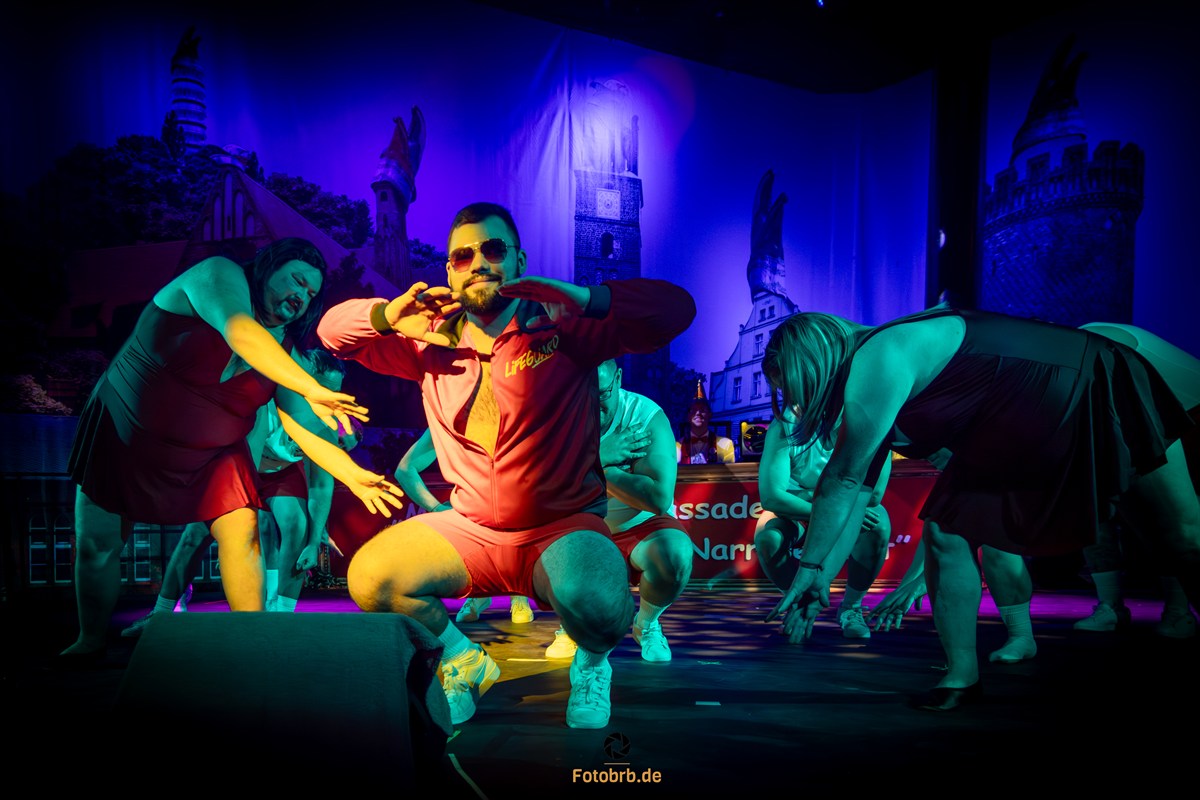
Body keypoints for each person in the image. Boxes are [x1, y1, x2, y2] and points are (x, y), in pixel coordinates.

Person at [317, 201, 695, 729]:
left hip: (558, 527)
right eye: (462, 256)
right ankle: (464, 660)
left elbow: (676, 309)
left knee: (602, 609)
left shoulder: (562, 327)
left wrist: (587, 298)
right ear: (449, 271)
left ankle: (592, 664)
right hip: (471, 529)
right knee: (371, 577)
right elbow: (331, 333)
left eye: (493, 249)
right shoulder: (428, 340)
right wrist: (386, 316)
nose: (478, 263)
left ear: (519, 260)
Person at [761, 307, 1198, 711]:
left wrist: (810, 569)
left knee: (1181, 536)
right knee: (947, 530)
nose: (796, 401)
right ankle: (961, 679)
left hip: (1088, 381)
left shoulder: (880, 354)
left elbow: (843, 479)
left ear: (810, 361)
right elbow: (854, 496)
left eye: (792, 386)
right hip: (1008, 430)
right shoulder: (873, 375)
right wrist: (819, 578)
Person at [63, 238, 403, 661]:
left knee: (243, 529)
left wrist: (355, 476)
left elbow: (307, 430)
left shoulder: (284, 353)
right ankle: (91, 639)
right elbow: (239, 329)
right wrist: (312, 387)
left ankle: (252, 640)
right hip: (129, 428)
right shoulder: (218, 274)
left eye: (311, 293)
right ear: (267, 266)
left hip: (214, 451)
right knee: (98, 544)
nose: (301, 295)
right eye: (297, 280)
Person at [120, 349, 364, 636]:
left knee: (297, 524)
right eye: (323, 388)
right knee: (196, 534)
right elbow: (246, 467)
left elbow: (320, 485)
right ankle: (161, 611)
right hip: (238, 462)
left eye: (335, 392)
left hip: (280, 472)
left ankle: (281, 616)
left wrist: (313, 541)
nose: (330, 399)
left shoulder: (326, 424)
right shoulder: (265, 402)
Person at [755, 409, 892, 642]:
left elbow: (874, 494)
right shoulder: (786, 424)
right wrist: (827, 509)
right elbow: (772, 497)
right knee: (769, 537)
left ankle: (851, 607)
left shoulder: (867, 417)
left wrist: (819, 501)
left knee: (878, 525)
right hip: (808, 508)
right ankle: (797, 603)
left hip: (825, 504)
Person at [393, 429, 536, 626]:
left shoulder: (517, 416)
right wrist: (436, 508)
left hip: (518, 504)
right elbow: (405, 470)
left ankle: (518, 594)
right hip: (472, 510)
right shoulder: (444, 421)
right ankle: (477, 595)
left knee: (515, 516)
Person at [677, 393, 735, 464]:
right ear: (688, 416)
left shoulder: (725, 444)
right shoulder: (677, 447)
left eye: (702, 410)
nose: (698, 413)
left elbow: (728, 470)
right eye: (694, 410)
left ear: (710, 415)